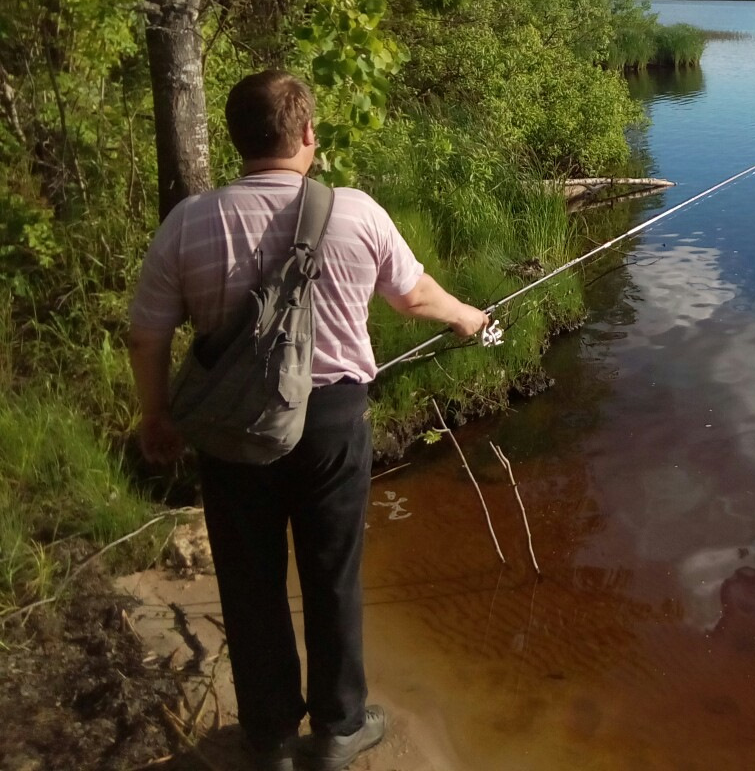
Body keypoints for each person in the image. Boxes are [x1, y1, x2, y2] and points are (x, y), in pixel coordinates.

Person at [128, 71, 489, 771]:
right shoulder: (355, 212)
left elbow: (147, 335)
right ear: (307, 135)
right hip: (331, 424)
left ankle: (268, 738)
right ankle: (339, 727)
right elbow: (414, 300)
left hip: (232, 430)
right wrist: (470, 317)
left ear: (235, 139)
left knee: (249, 578)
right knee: (333, 573)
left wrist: (156, 417)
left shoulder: (190, 222)